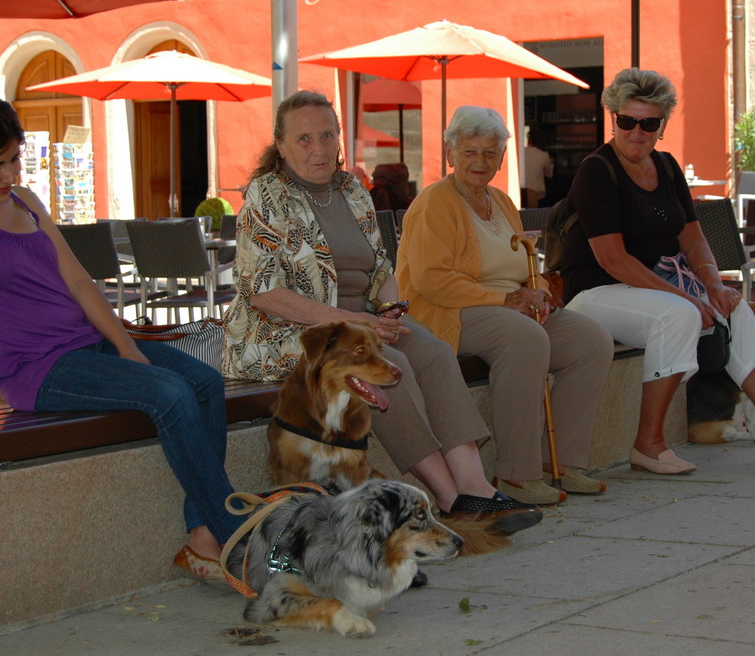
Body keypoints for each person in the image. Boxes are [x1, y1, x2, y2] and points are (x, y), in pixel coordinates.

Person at [0, 93, 244, 578]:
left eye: (13, 160)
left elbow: (78, 280)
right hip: (34, 368)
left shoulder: (25, 201)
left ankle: (204, 536)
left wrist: (129, 348)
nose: (9, 176)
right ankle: (240, 539)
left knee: (205, 383)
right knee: (170, 393)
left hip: (88, 343)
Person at [222, 90, 540, 528]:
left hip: (362, 321)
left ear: (339, 139)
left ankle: (475, 485)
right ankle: (449, 499)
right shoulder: (266, 195)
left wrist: (390, 309)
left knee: (433, 351)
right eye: (304, 139)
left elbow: (381, 267)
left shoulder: (352, 188)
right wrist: (357, 324)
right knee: (390, 368)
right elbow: (263, 293)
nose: (318, 148)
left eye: (327, 135)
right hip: (293, 330)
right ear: (281, 146)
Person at [558, 68, 755, 473]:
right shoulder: (596, 172)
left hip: (653, 290)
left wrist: (714, 285)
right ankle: (648, 445)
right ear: (613, 119)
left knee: (734, 308)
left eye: (649, 123)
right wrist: (687, 297)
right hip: (595, 294)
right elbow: (612, 260)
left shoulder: (668, 168)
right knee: (681, 314)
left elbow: (693, 240)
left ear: (662, 126)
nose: (637, 132)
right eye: (627, 121)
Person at [397, 106, 614, 505]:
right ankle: (516, 474)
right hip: (448, 312)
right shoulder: (436, 203)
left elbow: (520, 266)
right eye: (469, 152)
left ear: (501, 157)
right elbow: (432, 280)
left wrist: (539, 290)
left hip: (507, 305)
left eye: (490, 153)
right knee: (525, 338)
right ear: (450, 153)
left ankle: (562, 464)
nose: (480, 162)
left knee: (591, 340)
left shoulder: (500, 201)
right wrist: (508, 298)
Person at [522, 127, 553, 209]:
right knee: (532, 217)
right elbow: (549, 174)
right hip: (534, 191)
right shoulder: (544, 155)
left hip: (520, 190)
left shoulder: (521, 152)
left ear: (529, 140)